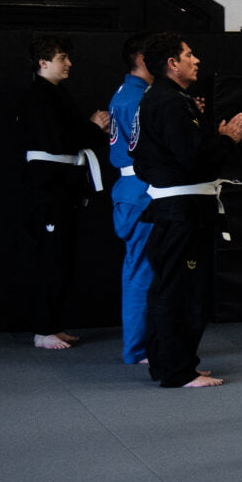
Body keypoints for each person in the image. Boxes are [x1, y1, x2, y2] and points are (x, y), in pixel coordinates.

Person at [132, 32, 242, 388]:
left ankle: (172, 362)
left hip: (179, 207)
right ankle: (176, 369)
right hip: (180, 210)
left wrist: (222, 140)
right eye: (189, 54)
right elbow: (192, 159)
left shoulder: (164, 99)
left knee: (173, 287)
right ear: (172, 63)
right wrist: (227, 139)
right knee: (179, 291)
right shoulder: (168, 102)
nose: (196, 60)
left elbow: (190, 152)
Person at [20, 35, 110, 350]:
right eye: (62, 58)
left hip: (63, 185)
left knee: (63, 257)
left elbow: (73, 136)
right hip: (49, 187)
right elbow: (62, 140)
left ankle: (53, 325)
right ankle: (42, 329)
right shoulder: (37, 96)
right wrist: (93, 127)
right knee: (51, 256)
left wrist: (93, 129)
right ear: (43, 62)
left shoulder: (56, 94)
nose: (68, 63)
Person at [106, 37, 153, 364]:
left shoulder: (126, 95)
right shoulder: (136, 99)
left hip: (131, 188)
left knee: (139, 268)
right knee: (142, 270)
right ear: (141, 58)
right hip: (139, 188)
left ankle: (143, 344)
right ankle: (138, 348)